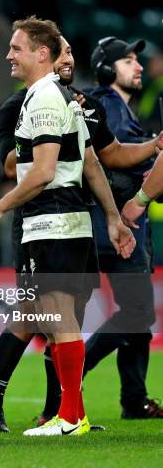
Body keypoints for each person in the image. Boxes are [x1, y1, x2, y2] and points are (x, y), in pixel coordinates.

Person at [0, 36, 163, 432]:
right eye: (64, 52)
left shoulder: (83, 106)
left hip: (70, 220)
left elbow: (102, 158)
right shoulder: (23, 104)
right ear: (48, 56)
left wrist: (148, 152)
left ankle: (61, 411)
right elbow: (13, 165)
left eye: (72, 51)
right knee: (38, 315)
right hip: (38, 219)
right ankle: (1, 403)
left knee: (63, 316)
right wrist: (47, 139)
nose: (69, 59)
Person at [83, 36, 163, 419]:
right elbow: (110, 159)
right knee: (138, 313)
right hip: (114, 226)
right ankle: (73, 370)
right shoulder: (107, 105)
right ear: (105, 68)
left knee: (138, 316)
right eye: (128, 60)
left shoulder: (119, 108)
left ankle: (134, 398)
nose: (139, 66)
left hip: (121, 224)